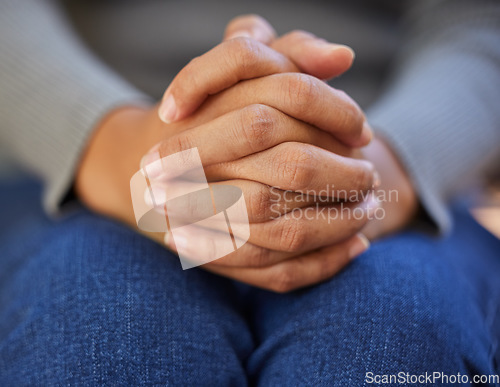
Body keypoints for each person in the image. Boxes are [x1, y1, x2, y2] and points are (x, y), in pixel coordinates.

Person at [0, 0, 499, 384]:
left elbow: (481, 22)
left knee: (392, 323)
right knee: (99, 323)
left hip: (395, 154)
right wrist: (117, 149)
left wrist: (380, 168)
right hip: (70, 153)